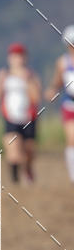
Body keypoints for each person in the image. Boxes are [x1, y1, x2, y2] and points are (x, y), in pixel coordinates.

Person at [0, 42, 41, 183]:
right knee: (14, 153)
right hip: (10, 118)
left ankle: (28, 169)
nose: (18, 59)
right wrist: (0, 81)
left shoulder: (31, 75)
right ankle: (15, 180)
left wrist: (27, 80)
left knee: (29, 152)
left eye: (20, 56)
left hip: (29, 118)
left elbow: (36, 98)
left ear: (25, 58)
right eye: (14, 56)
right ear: (9, 58)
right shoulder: (3, 75)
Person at [45, 25, 74, 183]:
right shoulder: (62, 63)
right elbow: (57, 82)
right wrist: (52, 91)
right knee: (72, 138)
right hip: (69, 105)